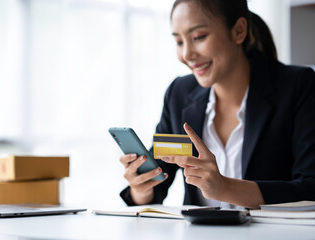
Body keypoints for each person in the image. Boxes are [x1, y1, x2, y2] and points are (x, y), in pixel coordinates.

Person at [119, 0, 315, 209]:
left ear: (239, 31)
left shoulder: (298, 86)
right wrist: (141, 188)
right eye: (179, 42)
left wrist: (224, 188)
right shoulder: (180, 94)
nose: (186, 54)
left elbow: (310, 189)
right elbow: (157, 184)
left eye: (199, 37)